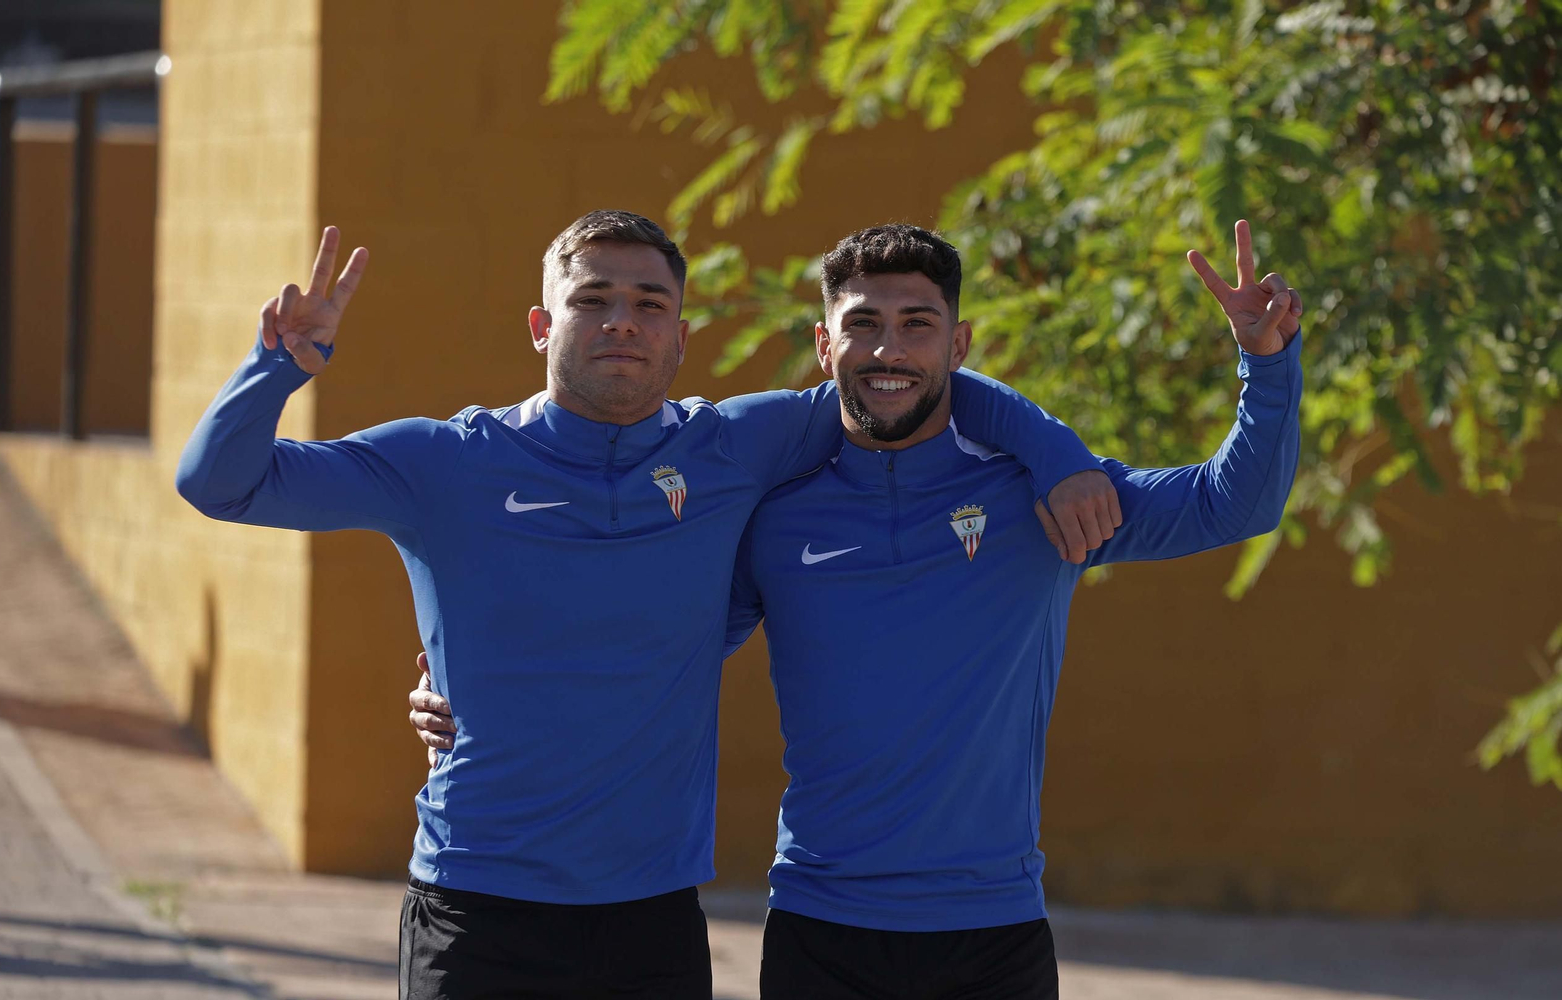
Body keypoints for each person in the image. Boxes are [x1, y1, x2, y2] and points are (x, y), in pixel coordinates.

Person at [175, 210, 1119, 1000]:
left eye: (648, 304)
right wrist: (279, 366)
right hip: (477, 906)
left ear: (680, 335)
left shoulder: (739, 444)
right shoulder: (444, 460)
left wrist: (1059, 453)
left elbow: (903, 379)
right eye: (592, 300)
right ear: (543, 327)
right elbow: (221, 483)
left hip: (652, 922)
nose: (621, 322)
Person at [409, 220, 1304, 998]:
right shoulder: (774, 513)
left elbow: (1237, 504)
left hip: (993, 935)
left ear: (959, 345)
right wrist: (471, 688)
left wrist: (1265, 366)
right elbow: (646, 643)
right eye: (864, 326)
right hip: (820, 932)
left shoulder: (1045, 499)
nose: (889, 350)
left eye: (919, 325)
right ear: (825, 346)